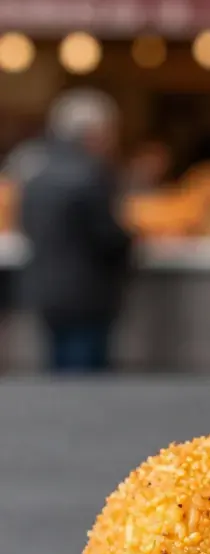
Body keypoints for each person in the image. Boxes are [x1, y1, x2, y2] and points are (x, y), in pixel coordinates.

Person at [19, 89, 132, 373]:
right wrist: (131, 240)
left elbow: (26, 225)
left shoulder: (36, 172)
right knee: (86, 381)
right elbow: (107, 237)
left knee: (59, 377)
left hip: (47, 290)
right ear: (93, 133)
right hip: (88, 293)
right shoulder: (91, 175)